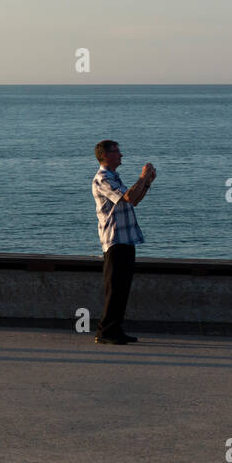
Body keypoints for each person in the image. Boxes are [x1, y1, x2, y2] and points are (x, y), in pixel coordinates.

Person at [91, 140, 156, 345]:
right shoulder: (102, 178)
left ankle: (115, 329)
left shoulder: (113, 177)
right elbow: (128, 197)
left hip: (126, 239)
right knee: (115, 288)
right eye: (117, 152)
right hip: (115, 240)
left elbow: (134, 199)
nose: (121, 155)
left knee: (122, 288)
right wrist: (142, 177)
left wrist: (146, 182)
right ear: (106, 155)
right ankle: (105, 331)